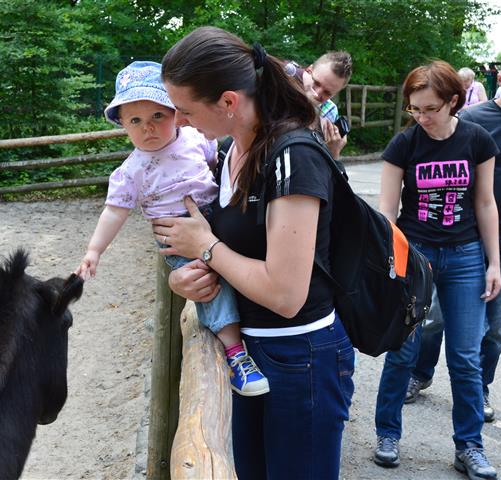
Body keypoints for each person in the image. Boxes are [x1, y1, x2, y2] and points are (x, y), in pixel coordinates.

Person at [153, 26, 355, 479]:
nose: (178, 122)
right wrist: (183, 277)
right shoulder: (228, 151)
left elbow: (285, 294)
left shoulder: (293, 156)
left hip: (300, 357)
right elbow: (224, 252)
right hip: (250, 351)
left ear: (228, 102)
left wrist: (205, 248)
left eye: (186, 110)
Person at [75, 61, 269, 396]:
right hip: (177, 236)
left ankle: (259, 332)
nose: (148, 128)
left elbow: (217, 165)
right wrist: (94, 250)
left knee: (242, 262)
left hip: (216, 217)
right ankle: (235, 353)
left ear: (175, 113)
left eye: (157, 116)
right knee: (207, 283)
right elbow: (114, 212)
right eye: (135, 120)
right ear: (122, 124)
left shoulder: (195, 137)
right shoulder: (131, 172)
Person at [372, 60, 501, 480]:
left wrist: (493, 263)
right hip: (416, 255)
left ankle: (470, 446)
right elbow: (387, 211)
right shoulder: (404, 144)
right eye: (414, 109)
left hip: (465, 256)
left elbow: (485, 202)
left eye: (431, 109)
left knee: (465, 358)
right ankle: (387, 433)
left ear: (453, 102)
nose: (422, 117)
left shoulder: (477, 140)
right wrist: (391, 265)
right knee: (403, 351)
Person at [406, 51, 501, 425]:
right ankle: (420, 372)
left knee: (495, 328)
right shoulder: (475, 121)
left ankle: (478, 388)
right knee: (434, 317)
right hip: (461, 236)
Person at [284, 52, 353, 159]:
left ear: (335, 94)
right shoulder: (285, 80)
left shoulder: (330, 111)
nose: (317, 93)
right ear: (309, 70)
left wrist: (333, 152)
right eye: (316, 83)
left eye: (327, 93)